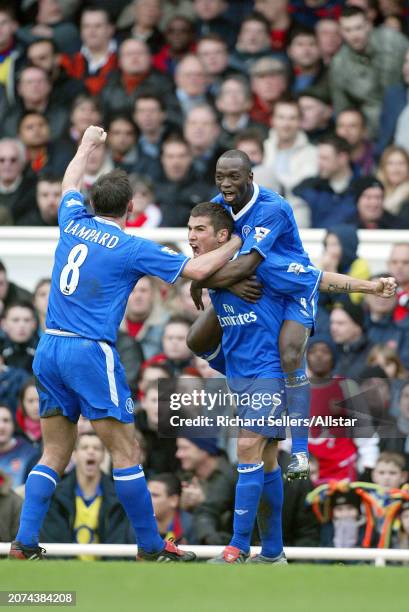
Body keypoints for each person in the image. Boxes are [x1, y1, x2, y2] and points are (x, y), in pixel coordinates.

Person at [9, 124, 242, 561]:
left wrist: (86, 145)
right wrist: (242, 243)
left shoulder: (72, 220)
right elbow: (196, 271)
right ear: (131, 208)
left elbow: (67, 182)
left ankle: (24, 543)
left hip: (50, 346)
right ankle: (151, 547)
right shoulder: (131, 245)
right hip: (89, 351)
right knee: (126, 449)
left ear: (92, 202)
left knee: (55, 450)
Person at [186, 200, 395, 562]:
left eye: (199, 230)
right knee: (267, 463)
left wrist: (371, 287)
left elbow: (318, 279)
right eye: (189, 229)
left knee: (247, 448)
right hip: (240, 373)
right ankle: (272, 552)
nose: (191, 237)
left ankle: (236, 548)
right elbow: (193, 277)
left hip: (269, 374)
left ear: (223, 235)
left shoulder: (266, 264)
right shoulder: (213, 272)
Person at [41, 432, 134, 556]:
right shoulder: (55, 496)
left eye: (97, 448)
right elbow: (54, 542)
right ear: (74, 455)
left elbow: (117, 543)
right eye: (85, 448)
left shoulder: (118, 498)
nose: (91, 452)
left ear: (103, 455)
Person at [330, 6, 409, 139]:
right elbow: (342, 109)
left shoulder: (394, 40)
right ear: (341, 32)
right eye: (348, 30)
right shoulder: (338, 64)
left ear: (369, 25)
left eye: (358, 27)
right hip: (373, 130)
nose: (354, 35)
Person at [336, 108, 375, 176]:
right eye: (341, 126)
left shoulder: (376, 156)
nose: (346, 131)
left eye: (352, 126)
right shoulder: (329, 155)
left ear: (364, 131)